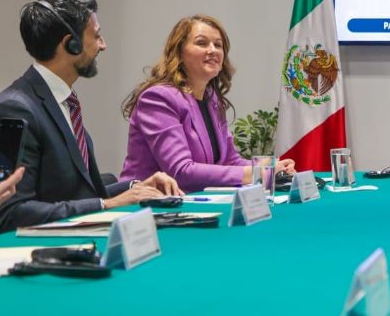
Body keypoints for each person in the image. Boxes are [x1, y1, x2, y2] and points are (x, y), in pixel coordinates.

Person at [0, 0, 181, 233]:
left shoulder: (61, 100)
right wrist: (106, 205)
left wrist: (134, 187)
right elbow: (11, 213)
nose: (103, 45)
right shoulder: (15, 108)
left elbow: (77, 192)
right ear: (70, 44)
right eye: (96, 36)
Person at [120, 15, 294, 193]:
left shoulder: (212, 99)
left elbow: (230, 161)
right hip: (146, 207)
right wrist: (255, 173)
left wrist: (272, 167)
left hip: (195, 203)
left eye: (218, 45)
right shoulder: (158, 98)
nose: (213, 50)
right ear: (178, 52)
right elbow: (181, 172)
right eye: (202, 43)